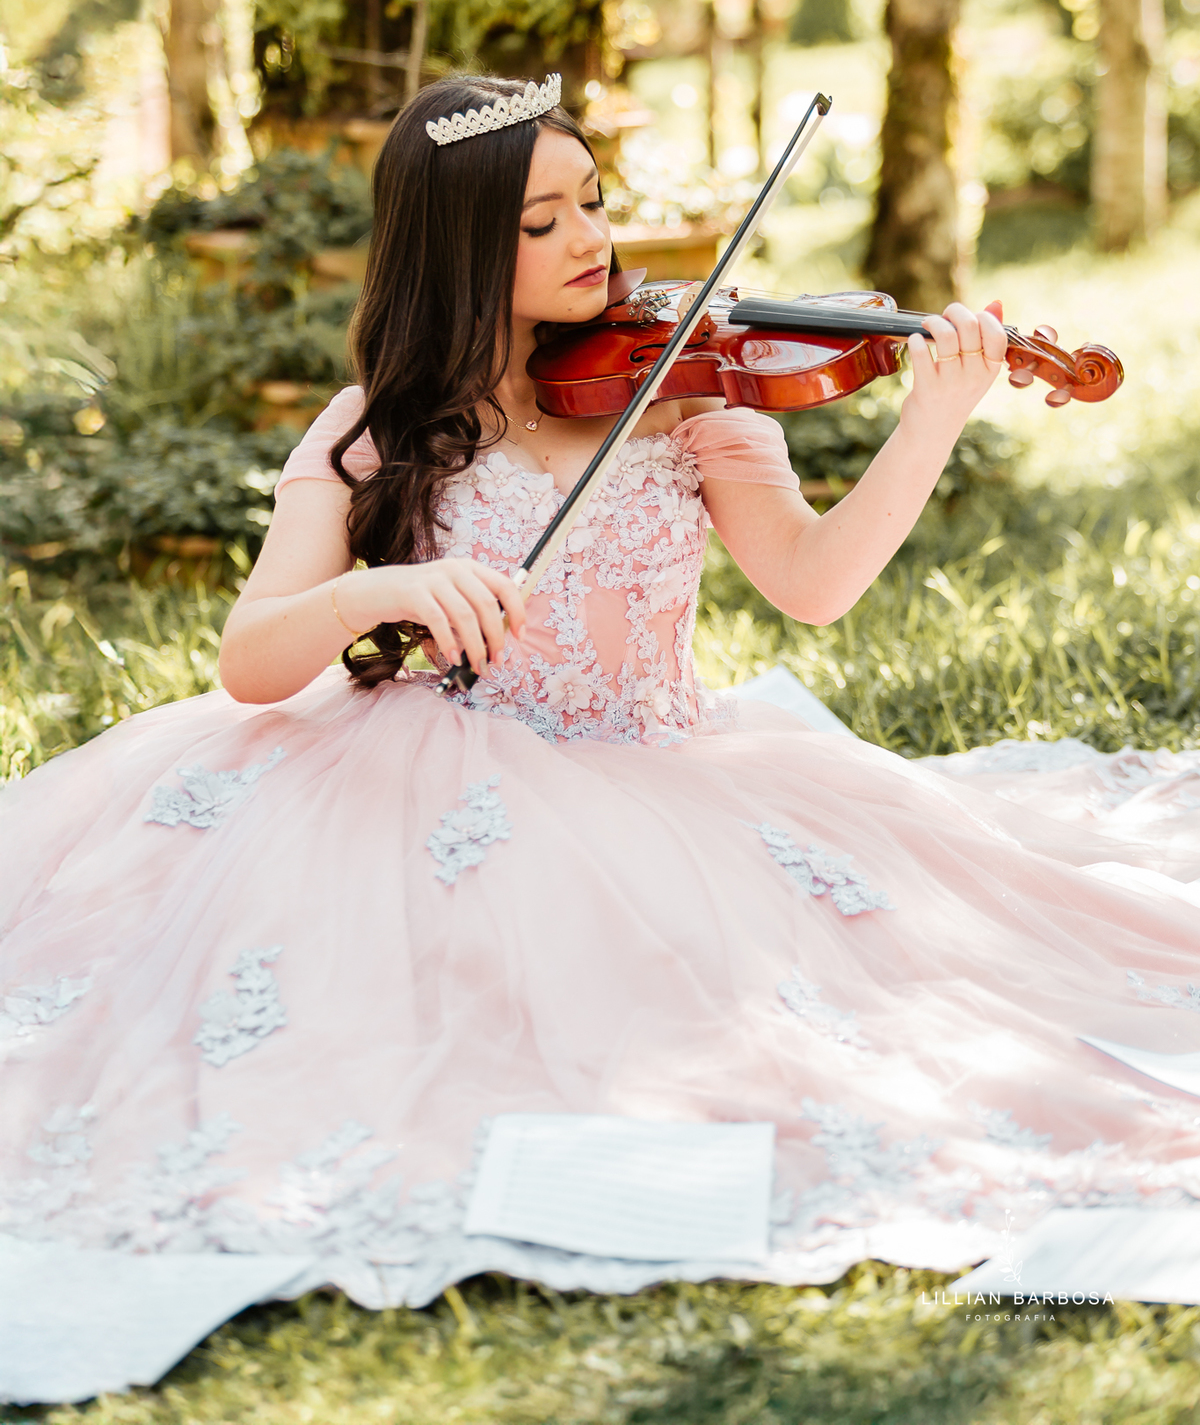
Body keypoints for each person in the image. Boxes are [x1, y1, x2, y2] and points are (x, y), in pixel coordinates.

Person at [3, 73, 1200, 1404]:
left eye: (594, 204)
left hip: (659, 777)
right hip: (412, 778)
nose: (592, 242)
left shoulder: (690, 395)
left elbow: (813, 584)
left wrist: (929, 419)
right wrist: (381, 591)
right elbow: (250, 659)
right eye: (539, 223)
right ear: (455, 246)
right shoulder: (379, 431)